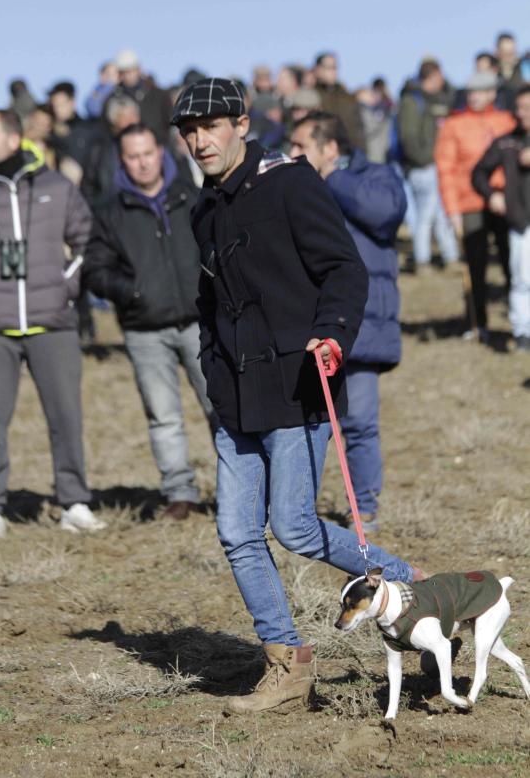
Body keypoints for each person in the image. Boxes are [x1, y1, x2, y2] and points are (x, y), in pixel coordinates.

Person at [171, 77, 427, 712]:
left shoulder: (290, 181)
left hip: (297, 381)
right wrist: (210, 369)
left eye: (212, 126)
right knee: (236, 530)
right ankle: (288, 664)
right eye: (189, 131)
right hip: (234, 395)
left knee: (294, 528)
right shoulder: (203, 208)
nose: (200, 140)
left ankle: (409, 585)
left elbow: (343, 267)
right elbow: (209, 304)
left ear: (241, 123)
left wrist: (331, 334)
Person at [83, 124, 217, 518]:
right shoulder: (109, 211)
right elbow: (95, 268)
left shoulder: (191, 196)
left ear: (159, 151)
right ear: (121, 160)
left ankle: (239, 488)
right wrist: (132, 291)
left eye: (147, 153)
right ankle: (180, 493)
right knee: (163, 415)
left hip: (200, 321)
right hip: (144, 328)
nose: (142, 163)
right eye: (132, 156)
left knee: (221, 408)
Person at [290, 111, 406, 533]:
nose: (293, 154)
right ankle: (297, 512)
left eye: (302, 145)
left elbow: (384, 213)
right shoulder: (294, 186)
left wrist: (330, 178)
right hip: (309, 322)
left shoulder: (375, 177)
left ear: (330, 149)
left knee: (359, 422)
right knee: (307, 425)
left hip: (362, 322)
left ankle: (364, 508)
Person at [0, 110, 104, 538]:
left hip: (53, 323)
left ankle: (74, 502)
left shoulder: (56, 187)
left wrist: (66, 284)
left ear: (11, 138)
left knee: (65, 417)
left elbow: (87, 239)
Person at [435, 72, 515, 341]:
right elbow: (445, 168)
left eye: (481, 91)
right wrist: (452, 209)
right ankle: (477, 321)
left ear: (493, 92)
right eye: (471, 92)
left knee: (511, 262)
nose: (475, 96)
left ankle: (518, 317)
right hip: (469, 203)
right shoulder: (454, 125)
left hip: (504, 201)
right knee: (475, 265)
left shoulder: (507, 121)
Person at [472, 86, 530, 352]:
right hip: (520, 222)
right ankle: (522, 333)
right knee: (521, 278)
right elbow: (479, 172)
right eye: (520, 108)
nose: (523, 113)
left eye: (528, 107)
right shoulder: (507, 143)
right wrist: (491, 195)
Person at [397, 59, 459, 272]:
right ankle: (423, 260)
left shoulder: (427, 99)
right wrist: (424, 159)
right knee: (425, 216)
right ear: (431, 77)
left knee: (439, 214)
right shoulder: (412, 101)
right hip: (422, 167)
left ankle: (450, 256)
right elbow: (409, 137)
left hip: (432, 164)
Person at [81, 95, 141, 210]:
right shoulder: (99, 151)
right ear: (114, 120)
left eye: (134, 115)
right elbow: (88, 189)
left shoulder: (151, 145)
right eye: (125, 117)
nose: (132, 121)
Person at [105, 50, 173, 144]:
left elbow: (169, 124)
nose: (127, 76)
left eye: (130, 71)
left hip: (158, 146)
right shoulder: (112, 99)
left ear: (138, 69)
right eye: (123, 72)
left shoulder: (159, 95)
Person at [313, 52, 366, 151]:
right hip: (322, 153)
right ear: (318, 70)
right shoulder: (311, 97)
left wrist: (361, 154)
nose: (333, 72)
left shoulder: (347, 97)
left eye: (335, 67)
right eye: (329, 68)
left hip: (348, 153)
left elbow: (359, 130)